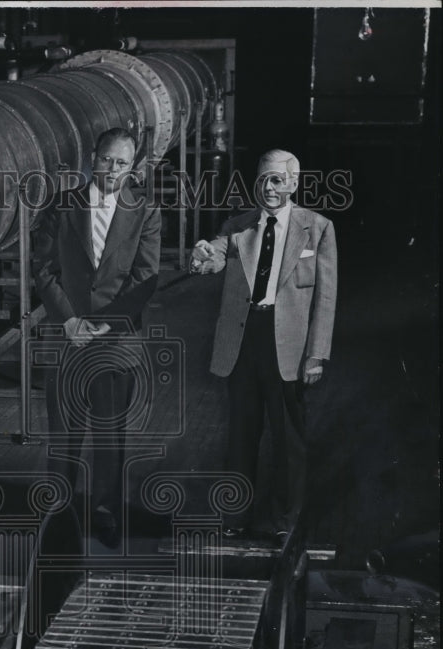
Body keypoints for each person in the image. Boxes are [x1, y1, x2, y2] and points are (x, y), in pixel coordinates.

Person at [190, 149, 337, 538]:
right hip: (244, 340)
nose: (268, 187)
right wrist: (203, 255)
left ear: (293, 182)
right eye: (261, 180)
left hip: (288, 344)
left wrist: (316, 354)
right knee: (241, 435)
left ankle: (284, 523)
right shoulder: (237, 225)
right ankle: (235, 519)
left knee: (288, 439)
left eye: (276, 179)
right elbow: (217, 254)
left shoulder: (318, 228)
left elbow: (325, 297)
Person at [33, 127, 161, 548]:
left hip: (116, 340)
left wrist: (109, 323)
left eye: (122, 163)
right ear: (93, 156)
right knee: (63, 434)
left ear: (132, 168)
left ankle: (106, 511)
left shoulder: (145, 210)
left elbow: (145, 277)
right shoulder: (60, 206)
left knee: (110, 435)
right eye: (106, 159)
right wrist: (68, 320)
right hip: (66, 337)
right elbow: (43, 268)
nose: (112, 169)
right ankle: (60, 513)